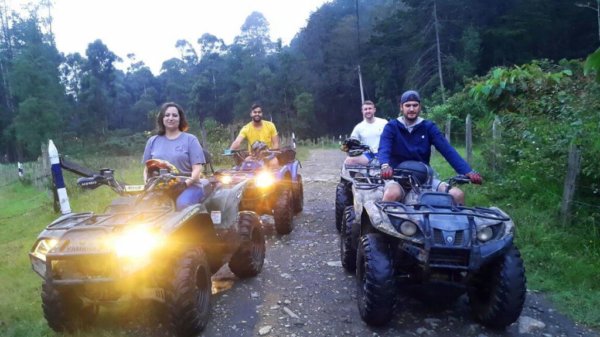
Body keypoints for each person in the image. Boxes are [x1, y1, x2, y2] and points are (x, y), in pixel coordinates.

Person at [378, 90, 482, 205]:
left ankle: (461, 221)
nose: (411, 109)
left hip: (423, 176)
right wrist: (385, 166)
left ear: (420, 107)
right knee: (391, 194)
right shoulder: (392, 126)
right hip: (397, 175)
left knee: (457, 194)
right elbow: (384, 148)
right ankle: (383, 222)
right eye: (408, 105)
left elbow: (447, 150)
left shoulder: (428, 127)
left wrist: (467, 171)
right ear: (401, 107)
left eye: (415, 105)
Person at [142, 102, 206, 210]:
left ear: (180, 118)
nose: (170, 118)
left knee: (182, 204)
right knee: (143, 206)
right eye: (167, 115)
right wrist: (148, 184)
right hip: (160, 187)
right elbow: (147, 169)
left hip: (189, 186)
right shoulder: (152, 141)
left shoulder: (190, 139)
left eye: (174, 115)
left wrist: (185, 184)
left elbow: (197, 168)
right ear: (162, 118)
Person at [344, 100, 388, 165]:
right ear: (362, 111)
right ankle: (359, 175)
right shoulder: (358, 127)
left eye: (370, 108)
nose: (368, 111)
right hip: (368, 155)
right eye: (365, 109)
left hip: (383, 153)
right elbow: (349, 144)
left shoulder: (384, 123)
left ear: (374, 110)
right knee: (348, 161)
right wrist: (348, 150)